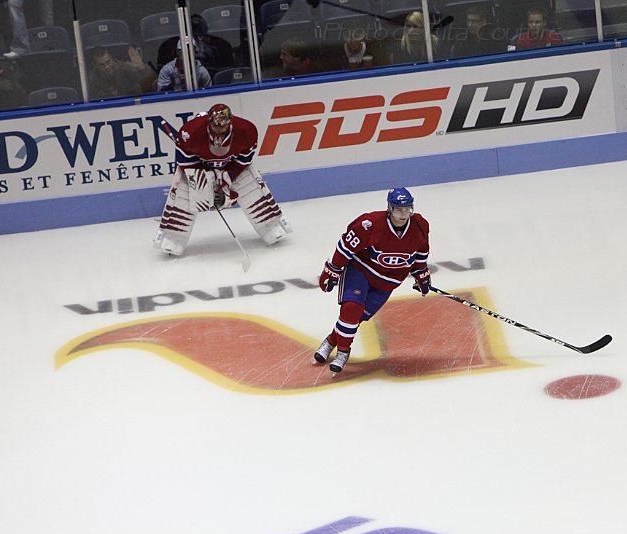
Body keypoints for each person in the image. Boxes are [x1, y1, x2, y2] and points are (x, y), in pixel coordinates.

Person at [313, 187, 431, 375]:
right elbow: (345, 247)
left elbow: (421, 251)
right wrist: (333, 270)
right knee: (351, 308)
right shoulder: (369, 224)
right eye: (399, 210)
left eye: (407, 209)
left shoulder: (420, 226)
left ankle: (331, 341)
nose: (403, 214)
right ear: (389, 209)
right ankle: (342, 352)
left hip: (389, 281)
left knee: (356, 318)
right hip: (361, 271)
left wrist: (421, 273)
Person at [154, 103, 291, 257]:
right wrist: (206, 181)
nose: (219, 130)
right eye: (215, 125)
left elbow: (243, 161)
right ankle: (171, 240)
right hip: (199, 166)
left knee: (250, 184)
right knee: (184, 191)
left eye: (223, 126)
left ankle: (273, 228)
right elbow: (185, 163)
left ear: (230, 122)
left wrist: (227, 179)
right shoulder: (190, 133)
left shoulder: (246, 131)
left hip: (230, 165)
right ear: (208, 121)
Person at [86, 46, 151, 99]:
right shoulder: (91, 81)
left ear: (110, 57)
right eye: (101, 65)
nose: (107, 66)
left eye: (108, 61)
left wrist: (141, 66)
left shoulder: (123, 68)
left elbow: (147, 80)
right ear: (94, 65)